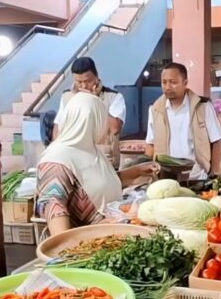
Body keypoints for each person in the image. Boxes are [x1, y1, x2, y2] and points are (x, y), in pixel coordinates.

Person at [38, 93, 157, 235]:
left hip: (109, 237)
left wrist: (138, 171)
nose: (107, 126)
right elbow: (53, 207)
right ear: (91, 121)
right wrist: (90, 233)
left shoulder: (91, 150)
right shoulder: (56, 160)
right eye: (103, 118)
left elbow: (102, 184)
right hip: (85, 245)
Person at [145, 62, 221, 180]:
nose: (167, 87)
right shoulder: (155, 109)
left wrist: (214, 173)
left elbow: (217, 141)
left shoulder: (202, 106)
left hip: (197, 178)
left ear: (185, 83)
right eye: (164, 82)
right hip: (166, 178)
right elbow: (151, 144)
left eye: (173, 82)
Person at [53, 57, 126, 169]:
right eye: (79, 82)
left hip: (104, 162)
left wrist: (94, 101)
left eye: (87, 81)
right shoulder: (67, 96)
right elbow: (58, 127)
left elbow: (115, 128)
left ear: (96, 77)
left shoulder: (114, 97)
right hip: (74, 161)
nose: (83, 86)